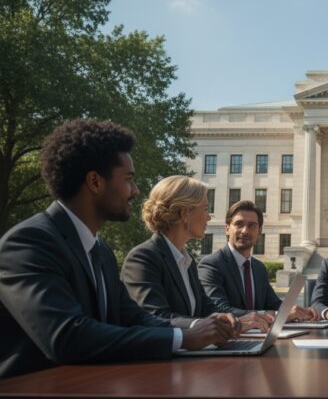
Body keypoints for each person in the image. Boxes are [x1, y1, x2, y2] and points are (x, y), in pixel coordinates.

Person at [0, 120, 233, 379]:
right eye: (129, 179)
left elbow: (134, 317)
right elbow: (67, 336)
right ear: (95, 182)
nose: (135, 190)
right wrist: (183, 337)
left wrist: (198, 331)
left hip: (92, 384)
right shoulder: (29, 242)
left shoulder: (101, 251)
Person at [122, 176, 270, 332]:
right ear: (185, 212)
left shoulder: (187, 261)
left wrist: (237, 321)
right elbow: (155, 317)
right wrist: (206, 325)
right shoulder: (143, 258)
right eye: (205, 209)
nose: (208, 217)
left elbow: (207, 309)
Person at [198, 200, 319, 321]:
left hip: (262, 335)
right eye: (239, 224)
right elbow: (219, 309)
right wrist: (276, 315)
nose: (245, 231)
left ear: (259, 231)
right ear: (227, 229)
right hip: (231, 337)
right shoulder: (211, 265)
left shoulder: (259, 268)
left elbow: (273, 304)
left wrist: (297, 311)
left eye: (252, 225)